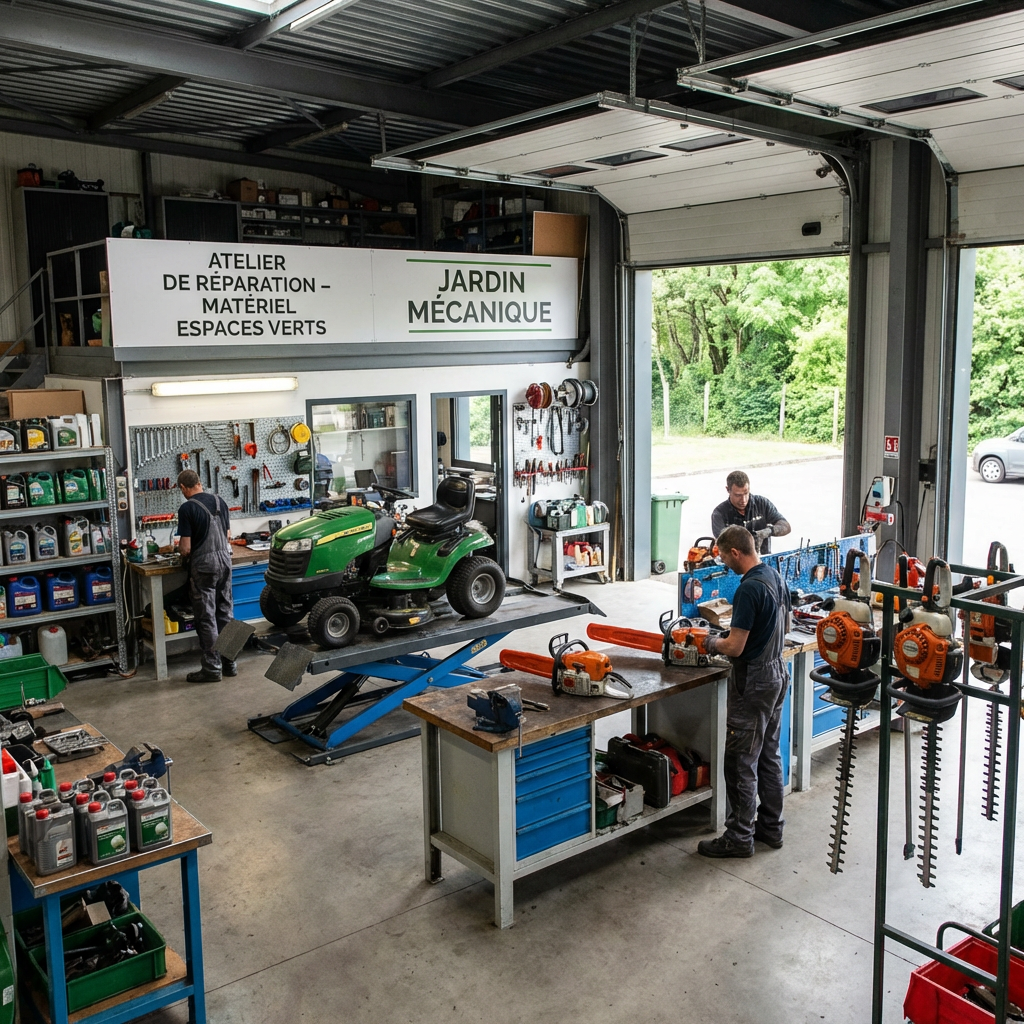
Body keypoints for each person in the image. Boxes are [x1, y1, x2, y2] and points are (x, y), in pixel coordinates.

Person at [697, 525, 791, 858]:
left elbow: (735, 647)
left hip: (754, 682)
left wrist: (711, 642)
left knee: (740, 761)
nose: (723, 563)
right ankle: (770, 828)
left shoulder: (749, 589)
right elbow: (786, 626)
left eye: (723, 556)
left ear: (735, 552)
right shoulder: (775, 577)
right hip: (778, 672)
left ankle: (739, 837)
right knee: (768, 755)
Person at [175, 470, 235, 683]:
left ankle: (212, 667)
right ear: (200, 483)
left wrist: (180, 552)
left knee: (206, 616)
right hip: (225, 561)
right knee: (225, 612)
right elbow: (228, 535)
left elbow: (186, 547)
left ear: (183, 488)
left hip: (205, 566)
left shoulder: (187, 508)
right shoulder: (220, 502)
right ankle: (230, 662)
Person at [711, 470, 791, 554]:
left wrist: (766, 532)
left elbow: (786, 526)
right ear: (728, 490)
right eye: (738, 495)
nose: (743, 500)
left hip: (763, 558)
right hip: (735, 563)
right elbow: (722, 542)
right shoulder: (719, 513)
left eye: (746, 493)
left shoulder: (762, 504)